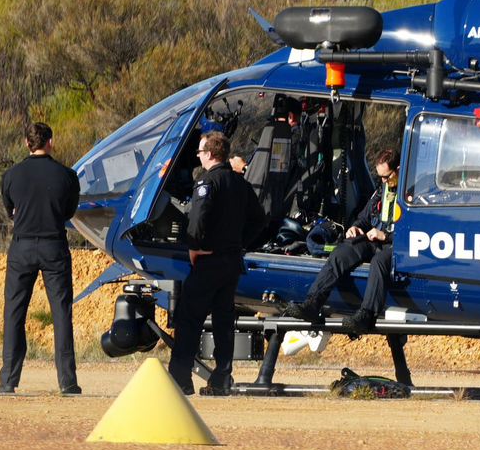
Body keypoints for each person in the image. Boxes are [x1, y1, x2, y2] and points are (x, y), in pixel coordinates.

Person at [168, 130, 265, 396]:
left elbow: (197, 218)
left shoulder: (207, 182)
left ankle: (180, 378)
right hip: (232, 262)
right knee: (224, 322)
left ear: (209, 154)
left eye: (200, 152)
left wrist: (194, 247)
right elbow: (259, 219)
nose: (198, 156)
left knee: (188, 318)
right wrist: (238, 242)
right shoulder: (240, 183)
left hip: (208, 261)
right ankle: (222, 378)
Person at [0, 122, 81, 395]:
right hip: (54, 246)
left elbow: (10, 208)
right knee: (61, 313)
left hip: (21, 247)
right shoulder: (68, 176)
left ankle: (8, 380)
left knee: (14, 312)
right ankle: (67, 382)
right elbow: (69, 212)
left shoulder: (11, 174)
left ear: (27, 143)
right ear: (51, 142)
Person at [286, 149, 400, 334]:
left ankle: (367, 315)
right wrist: (355, 227)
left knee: (379, 262)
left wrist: (386, 236)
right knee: (341, 251)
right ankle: (313, 303)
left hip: (396, 245)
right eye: (380, 177)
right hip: (374, 241)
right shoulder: (381, 191)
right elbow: (364, 217)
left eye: (386, 177)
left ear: (399, 169)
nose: (383, 181)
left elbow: (416, 232)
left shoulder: (411, 194)